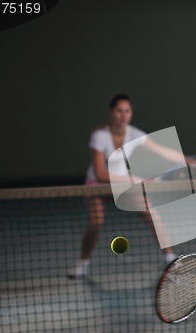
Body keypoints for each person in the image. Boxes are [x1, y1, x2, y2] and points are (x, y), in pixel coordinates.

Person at [68, 94, 185, 278]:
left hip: (122, 185)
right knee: (96, 223)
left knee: (152, 214)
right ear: (111, 112)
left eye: (127, 111)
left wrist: (186, 160)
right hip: (98, 185)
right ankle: (83, 263)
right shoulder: (99, 136)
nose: (123, 115)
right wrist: (133, 179)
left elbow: (162, 151)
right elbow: (100, 173)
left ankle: (170, 259)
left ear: (131, 113)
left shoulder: (136, 134)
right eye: (119, 111)